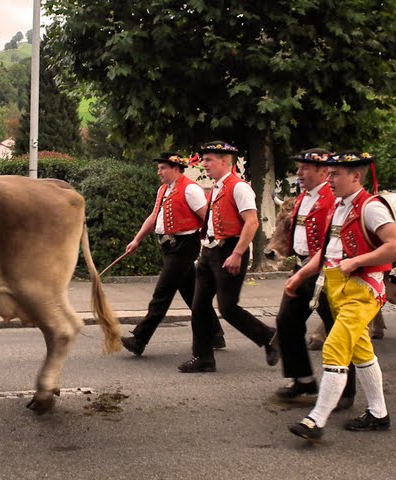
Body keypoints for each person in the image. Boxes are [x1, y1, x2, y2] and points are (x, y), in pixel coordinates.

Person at [285, 151, 396, 441]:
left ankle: (316, 420)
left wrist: (359, 260)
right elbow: (327, 252)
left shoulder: (371, 207)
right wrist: (300, 275)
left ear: (356, 176)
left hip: (363, 291)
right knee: (361, 352)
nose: (330, 179)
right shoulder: (338, 206)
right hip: (339, 288)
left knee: (334, 348)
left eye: (336, 174)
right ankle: (379, 414)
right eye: (329, 173)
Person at [178, 141, 280, 373]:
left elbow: (252, 222)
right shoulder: (216, 187)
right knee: (200, 306)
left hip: (230, 251)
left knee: (228, 307)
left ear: (224, 162)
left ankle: (270, 337)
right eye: (203, 160)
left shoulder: (239, 187)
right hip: (210, 252)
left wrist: (237, 253)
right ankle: (203, 357)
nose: (204, 164)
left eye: (209, 160)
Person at [273, 149, 355, 412]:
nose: (298, 174)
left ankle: (345, 391)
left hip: (324, 272)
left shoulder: (333, 200)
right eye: (299, 168)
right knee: (287, 320)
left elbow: (331, 242)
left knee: (335, 330)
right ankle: (304, 380)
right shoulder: (303, 199)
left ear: (322, 171)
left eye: (304, 169)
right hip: (302, 267)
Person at [121, 153, 225, 356]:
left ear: (176, 168)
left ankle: (140, 339)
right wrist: (137, 240)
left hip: (184, 246)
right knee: (192, 293)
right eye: (159, 168)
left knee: (162, 293)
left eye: (163, 168)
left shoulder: (191, 189)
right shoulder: (164, 190)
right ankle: (215, 333)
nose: (159, 172)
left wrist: (215, 243)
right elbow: (154, 217)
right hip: (169, 247)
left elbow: (208, 217)